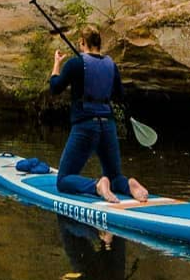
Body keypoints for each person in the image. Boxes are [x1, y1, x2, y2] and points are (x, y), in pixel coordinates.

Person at [49, 26, 148, 204]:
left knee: (64, 180)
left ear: (82, 43)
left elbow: (55, 87)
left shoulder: (75, 63)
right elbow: (119, 95)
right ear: (99, 43)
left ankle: (96, 186)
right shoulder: (111, 64)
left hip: (85, 125)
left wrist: (57, 63)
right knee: (115, 176)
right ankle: (128, 185)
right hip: (108, 125)